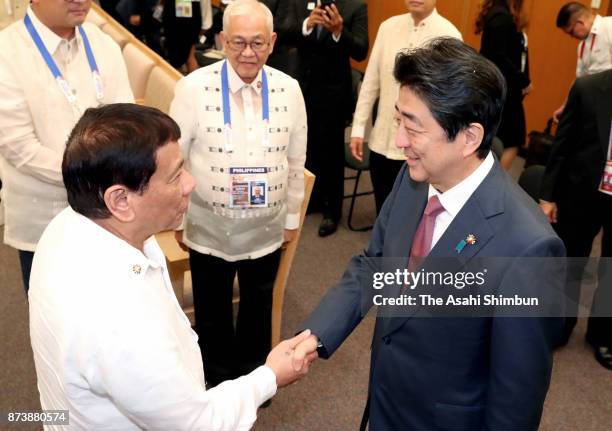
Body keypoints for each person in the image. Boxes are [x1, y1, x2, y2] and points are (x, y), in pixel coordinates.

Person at [293, 38, 565, 430]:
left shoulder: (528, 248)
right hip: (385, 405)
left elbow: (515, 400)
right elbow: (374, 264)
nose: (399, 140)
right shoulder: (413, 175)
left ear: (469, 137)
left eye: (413, 127)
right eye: (398, 119)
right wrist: (317, 333)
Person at [29, 103, 318, 430]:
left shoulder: (71, 224)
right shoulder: (120, 321)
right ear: (121, 200)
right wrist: (270, 376)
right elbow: (198, 424)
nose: (190, 183)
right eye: (175, 175)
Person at [170, 0, 308, 388]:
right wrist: (179, 219)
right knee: (211, 310)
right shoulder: (193, 88)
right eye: (238, 43)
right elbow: (174, 163)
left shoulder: (289, 89)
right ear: (222, 40)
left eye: (258, 43)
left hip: (266, 229)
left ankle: (255, 382)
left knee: (257, 310)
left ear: (273, 42)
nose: (248, 53)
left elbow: (297, 162)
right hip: (208, 226)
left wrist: (291, 219)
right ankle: (216, 381)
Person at [0, 0, 133, 293]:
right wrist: (99, 179)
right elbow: (20, 147)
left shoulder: (103, 44)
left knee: (115, 318)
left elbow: (126, 124)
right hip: (45, 222)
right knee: (58, 326)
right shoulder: (7, 52)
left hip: (113, 217)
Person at [350, 0, 461, 215]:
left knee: (411, 217)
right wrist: (358, 129)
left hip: (421, 150)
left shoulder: (450, 35)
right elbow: (370, 83)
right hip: (381, 141)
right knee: (383, 209)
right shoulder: (388, 27)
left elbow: (450, 102)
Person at [539, 69, 612, 369]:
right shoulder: (587, 87)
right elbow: (563, 145)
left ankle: (603, 334)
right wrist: (547, 196)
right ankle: (560, 325)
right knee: (572, 262)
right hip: (581, 190)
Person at [288, 0, 368, 236]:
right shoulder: (301, 3)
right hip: (303, 90)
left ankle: (332, 211)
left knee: (331, 155)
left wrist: (339, 32)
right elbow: (285, 35)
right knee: (306, 149)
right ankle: (312, 199)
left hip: (334, 95)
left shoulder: (355, 6)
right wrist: (307, 25)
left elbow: (361, 50)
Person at [476, 0, 531, 170]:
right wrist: (523, 80)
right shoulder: (502, 17)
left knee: (501, 137)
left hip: (498, 86)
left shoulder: (497, 14)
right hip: (503, 88)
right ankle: (494, 181)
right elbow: (498, 56)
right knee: (514, 139)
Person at [553, 2, 612, 122]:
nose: (571, 37)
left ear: (580, 23)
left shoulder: (609, 26)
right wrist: (565, 106)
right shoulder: (582, 47)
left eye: (571, 32)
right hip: (596, 107)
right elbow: (580, 80)